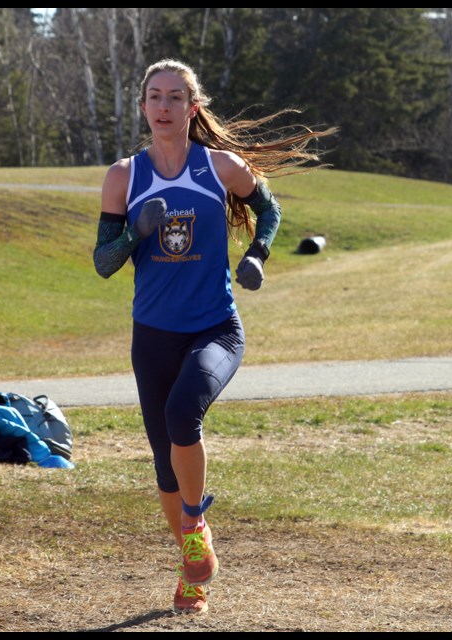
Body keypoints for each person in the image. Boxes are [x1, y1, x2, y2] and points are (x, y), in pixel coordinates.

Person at [93, 58, 335, 615]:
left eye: (175, 97)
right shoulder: (123, 177)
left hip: (214, 330)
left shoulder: (221, 167)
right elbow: (104, 263)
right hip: (151, 337)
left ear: (192, 108)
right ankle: (194, 568)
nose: (162, 107)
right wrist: (135, 230)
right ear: (143, 106)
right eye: (153, 96)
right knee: (162, 467)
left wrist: (257, 254)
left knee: (184, 417)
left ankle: (196, 521)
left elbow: (268, 209)